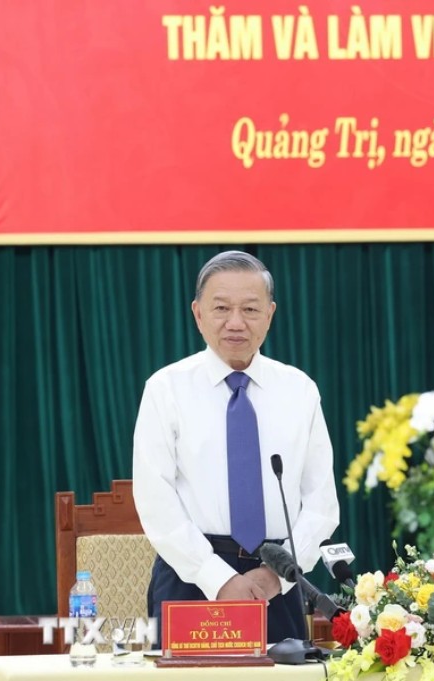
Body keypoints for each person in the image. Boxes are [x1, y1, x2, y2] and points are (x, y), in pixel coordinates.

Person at [133, 250, 339, 643]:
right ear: (197, 313)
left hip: (277, 581)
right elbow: (155, 499)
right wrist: (218, 578)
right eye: (221, 308)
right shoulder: (166, 389)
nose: (235, 323)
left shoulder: (299, 390)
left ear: (270, 313)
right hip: (191, 577)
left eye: (250, 309)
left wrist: (277, 575)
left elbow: (321, 503)